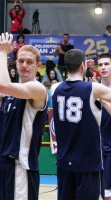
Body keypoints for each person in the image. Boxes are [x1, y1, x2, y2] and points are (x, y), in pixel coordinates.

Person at [0, 32, 47, 200]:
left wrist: (3, 53)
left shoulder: (38, 88)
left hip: (22, 166)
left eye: (29, 62)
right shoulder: (10, 92)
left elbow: (3, 85)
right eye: (20, 61)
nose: (24, 65)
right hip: (4, 164)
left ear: (38, 66)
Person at [50, 49, 111, 200]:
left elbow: (75, 86)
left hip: (64, 161)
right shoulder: (93, 89)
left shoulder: (54, 88)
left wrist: (84, 68)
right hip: (88, 163)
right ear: (82, 66)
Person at [98, 53, 111, 200]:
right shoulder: (92, 88)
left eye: (106, 64)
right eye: (100, 65)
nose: (103, 67)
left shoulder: (98, 93)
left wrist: (103, 101)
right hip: (95, 151)